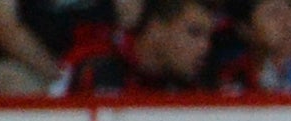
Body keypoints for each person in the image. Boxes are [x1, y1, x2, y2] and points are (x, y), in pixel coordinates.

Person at [59, 0, 220, 93]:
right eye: (194, 33)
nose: (205, 47)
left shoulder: (195, 84)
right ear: (156, 29)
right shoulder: (92, 62)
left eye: (208, 37)